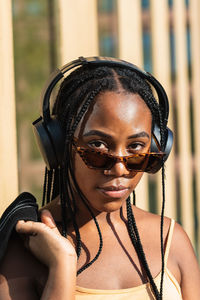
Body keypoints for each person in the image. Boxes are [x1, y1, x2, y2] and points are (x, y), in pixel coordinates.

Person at [0, 57, 200, 300]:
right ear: (58, 145)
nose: (119, 168)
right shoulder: (24, 250)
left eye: (136, 147)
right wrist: (62, 267)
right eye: (97, 146)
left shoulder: (171, 240)